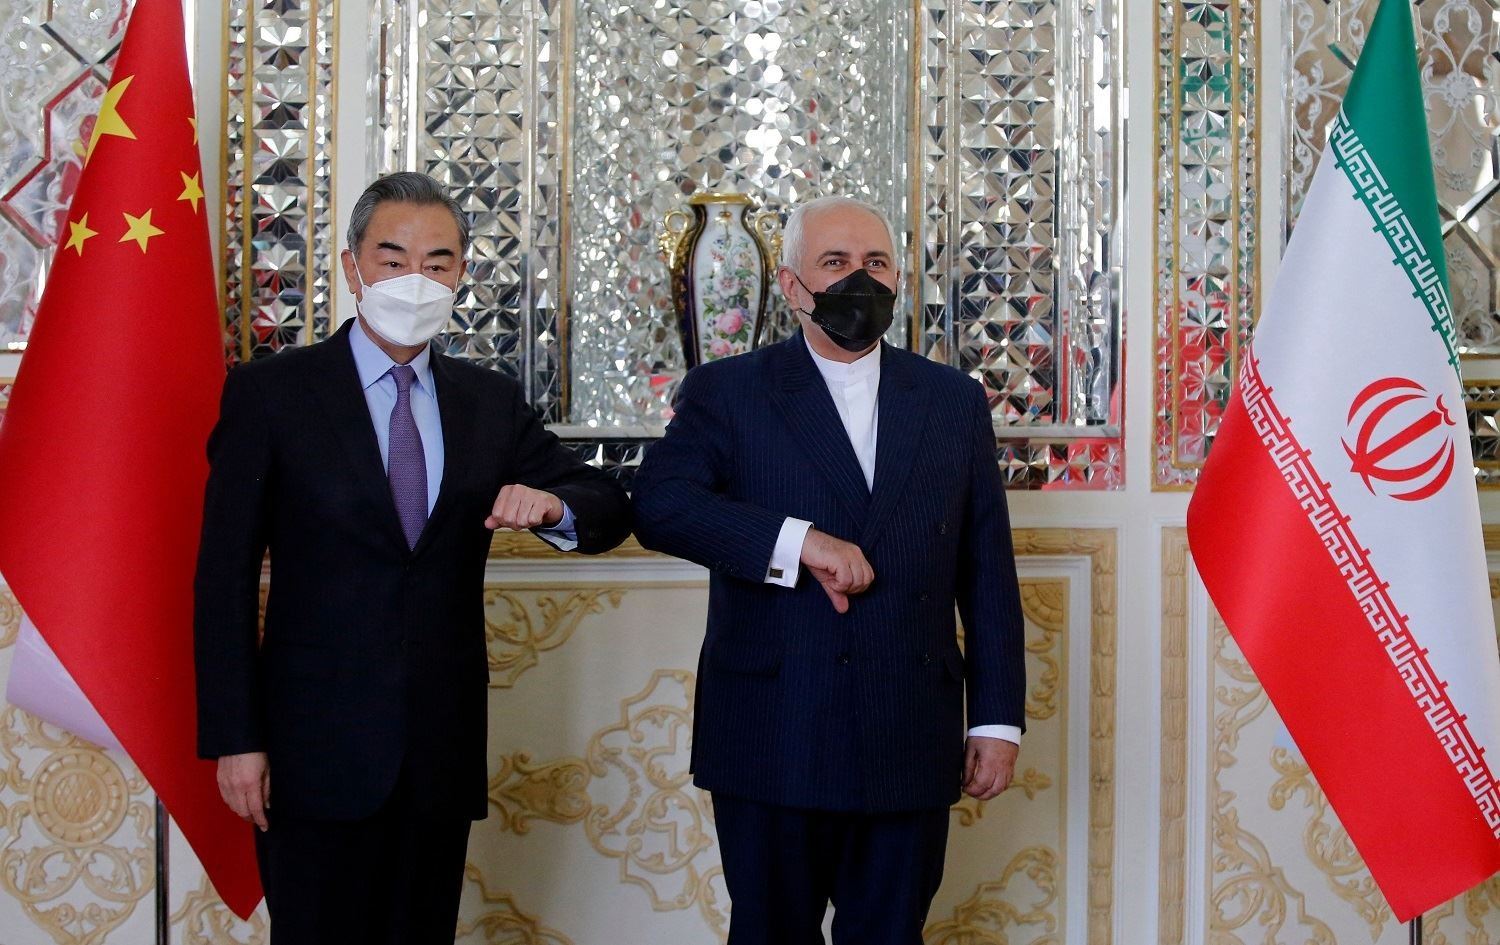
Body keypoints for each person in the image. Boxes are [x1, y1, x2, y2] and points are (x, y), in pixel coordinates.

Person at [193, 172, 632, 943]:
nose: (415, 279)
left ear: (461, 274)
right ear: (352, 265)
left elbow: (605, 504)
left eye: (437, 262)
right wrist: (237, 737)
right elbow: (222, 577)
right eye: (393, 259)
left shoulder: (487, 402)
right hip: (310, 752)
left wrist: (552, 505)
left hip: (438, 752)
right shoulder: (273, 394)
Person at [632, 195, 1025, 944]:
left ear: (898, 277)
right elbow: (659, 506)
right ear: (791, 285)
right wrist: (798, 542)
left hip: (908, 728)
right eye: (835, 263)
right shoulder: (729, 390)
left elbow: (987, 571)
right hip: (772, 729)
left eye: (876, 262)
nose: (859, 280)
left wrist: (997, 720)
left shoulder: (953, 401)